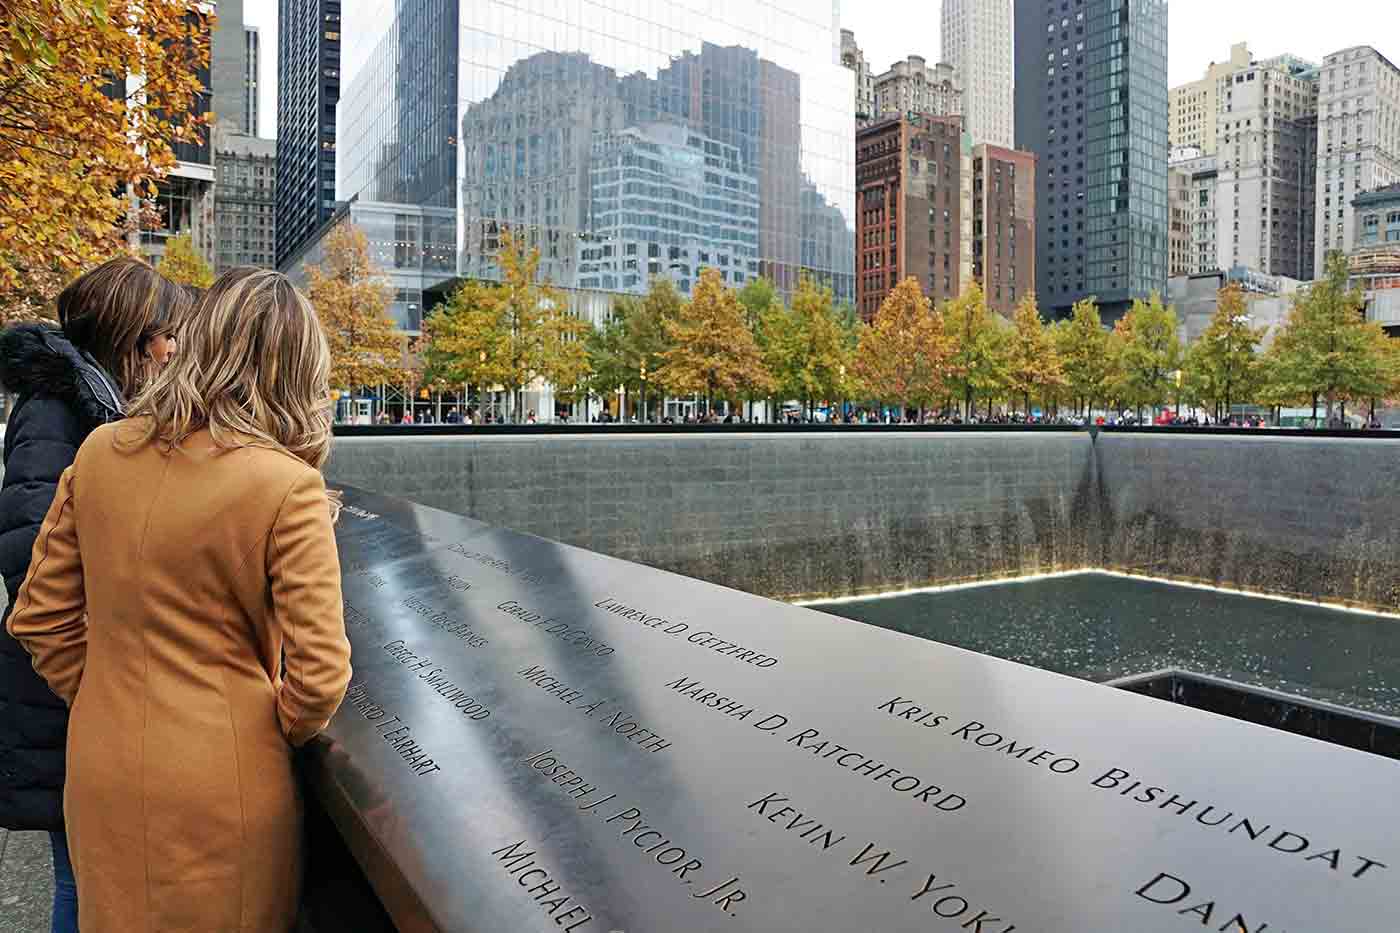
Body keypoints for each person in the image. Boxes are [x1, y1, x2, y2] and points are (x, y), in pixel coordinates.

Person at [6, 268, 353, 933]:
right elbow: (320, 678)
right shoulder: (288, 487)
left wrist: (104, 690)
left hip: (102, 765)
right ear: (298, 370)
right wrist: (253, 729)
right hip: (222, 786)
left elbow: (39, 617)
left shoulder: (102, 452)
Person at [0, 256, 188, 933]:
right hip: (60, 694)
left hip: (70, 689)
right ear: (131, 335)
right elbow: (31, 559)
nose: (173, 349)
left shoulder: (89, 403)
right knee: (83, 880)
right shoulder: (58, 411)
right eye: (165, 334)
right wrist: (97, 681)